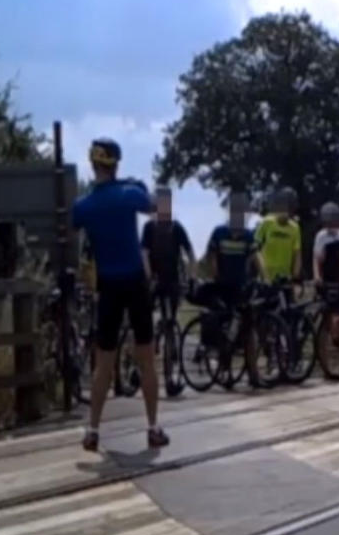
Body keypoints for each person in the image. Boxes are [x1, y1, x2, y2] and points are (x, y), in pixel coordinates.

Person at [71, 138, 169, 451]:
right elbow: (152, 203)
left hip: (109, 286)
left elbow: (71, 226)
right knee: (146, 359)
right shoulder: (129, 194)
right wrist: (135, 182)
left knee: (103, 363)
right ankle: (153, 428)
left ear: (92, 164)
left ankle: (93, 430)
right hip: (135, 282)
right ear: (116, 163)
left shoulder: (84, 205)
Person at [141, 186, 195, 326]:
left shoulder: (176, 227)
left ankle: (168, 331)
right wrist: (148, 276)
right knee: (146, 315)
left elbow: (190, 252)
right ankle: (153, 338)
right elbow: (144, 253)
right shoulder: (149, 227)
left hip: (171, 278)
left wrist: (192, 276)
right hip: (156, 278)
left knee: (171, 316)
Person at [205, 190, 256, 308]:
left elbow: (256, 256)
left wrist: (265, 278)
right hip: (222, 283)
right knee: (220, 316)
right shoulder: (219, 232)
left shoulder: (248, 235)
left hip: (240, 283)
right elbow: (211, 256)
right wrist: (215, 275)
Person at [313, 201, 339, 348]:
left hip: (338, 278)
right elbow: (317, 258)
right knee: (327, 315)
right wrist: (317, 276)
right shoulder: (321, 236)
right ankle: (327, 348)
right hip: (326, 279)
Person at [255, 187, 301, 286]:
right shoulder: (266, 222)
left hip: (285, 279)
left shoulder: (295, 227)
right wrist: (264, 274)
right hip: (266, 279)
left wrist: (295, 275)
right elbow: (256, 249)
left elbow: (297, 253)